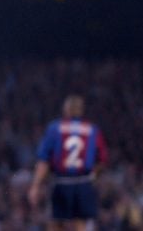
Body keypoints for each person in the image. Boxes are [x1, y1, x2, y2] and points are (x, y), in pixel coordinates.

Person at [27, 94, 109, 231]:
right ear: (82, 110)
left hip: (62, 182)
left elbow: (44, 161)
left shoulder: (55, 128)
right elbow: (103, 160)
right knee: (81, 225)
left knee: (56, 224)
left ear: (66, 110)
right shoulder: (93, 130)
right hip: (83, 182)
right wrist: (93, 176)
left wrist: (35, 185)